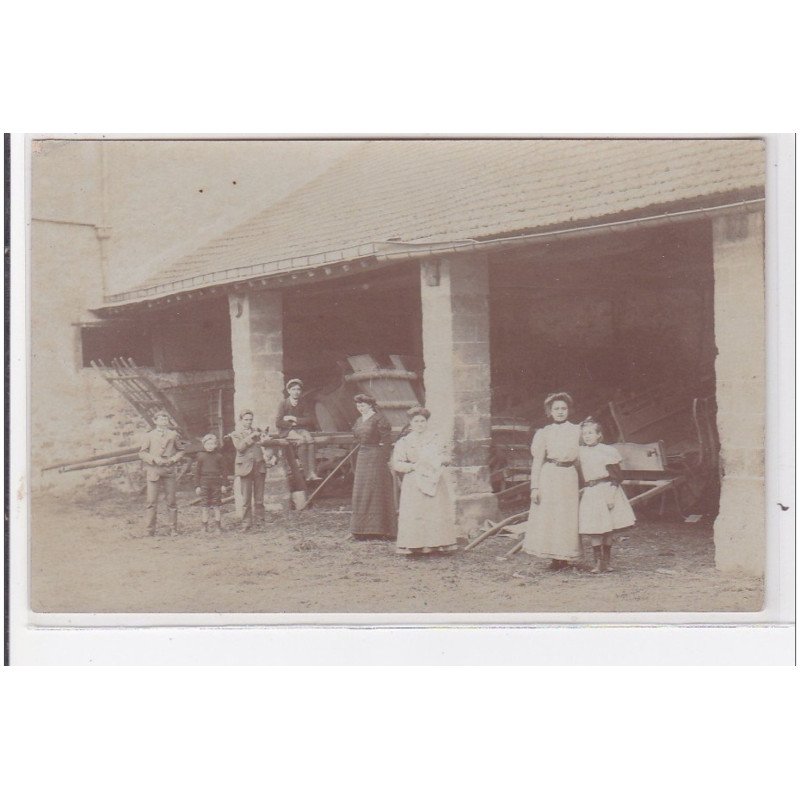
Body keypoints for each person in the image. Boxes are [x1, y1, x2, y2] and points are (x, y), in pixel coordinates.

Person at [523, 392, 582, 570]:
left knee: (567, 515)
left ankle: (565, 556)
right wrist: (535, 487)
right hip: (550, 475)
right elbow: (538, 461)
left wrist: (586, 481)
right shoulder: (544, 433)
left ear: (569, 410)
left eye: (563, 408)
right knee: (551, 515)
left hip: (569, 475)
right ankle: (553, 558)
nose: (560, 412)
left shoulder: (577, 430)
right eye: (556, 409)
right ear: (550, 411)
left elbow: (581, 458)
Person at [391, 406, 457, 555]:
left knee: (435, 511)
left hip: (434, 479)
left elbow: (447, 458)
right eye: (416, 421)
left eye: (423, 421)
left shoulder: (436, 438)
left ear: (427, 422)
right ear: (411, 423)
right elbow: (397, 463)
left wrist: (438, 461)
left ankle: (437, 544)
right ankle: (415, 545)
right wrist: (414, 466)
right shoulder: (404, 442)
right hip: (414, 480)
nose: (420, 424)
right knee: (415, 512)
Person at [577, 418, 636, 572]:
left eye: (590, 433)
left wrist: (611, 495)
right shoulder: (581, 452)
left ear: (598, 435)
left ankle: (607, 561)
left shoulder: (607, 451)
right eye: (584, 434)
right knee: (595, 527)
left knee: (608, 527)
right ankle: (597, 562)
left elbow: (616, 476)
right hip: (591, 492)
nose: (587, 436)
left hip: (607, 489)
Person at [350, 393, 396, 539]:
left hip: (376, 457)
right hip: (362, 456)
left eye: (363, 405)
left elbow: (386, 441)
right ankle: (361, 529)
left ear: (370, 405)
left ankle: (380, 529)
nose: (360, 408)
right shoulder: (358, 420)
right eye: (358, 406)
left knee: (375, 490)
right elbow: (356, 438)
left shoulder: (379, 419)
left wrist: (384, 458)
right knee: (361, 490)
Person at [138, 409, 184, 536]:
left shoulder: (173, 435)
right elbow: (142, 452)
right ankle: (150, 530)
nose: (164, 421)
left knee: (171, 501)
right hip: (154, 471)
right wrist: (153, 459)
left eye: (166, 419)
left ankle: (173, 529)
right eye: (161, 419)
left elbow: (181, 450)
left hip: (169, 471)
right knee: (151, 502)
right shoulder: (149, 435)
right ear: (155, 421)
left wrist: (173, 459)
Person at [229, 409, 267, 531]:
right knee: (246, 499)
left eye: (250, 419)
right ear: (241, 420)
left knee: (259, 498)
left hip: (259, 467)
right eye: (246, 420)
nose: (249, 422)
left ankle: (261, 523)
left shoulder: (258, 432)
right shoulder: (235, 434)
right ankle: (246, 524)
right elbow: (240, 448)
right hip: (245, 468)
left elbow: (265, 445)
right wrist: (251, 436)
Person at [275, 378, 320, 481]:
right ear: (289, 391)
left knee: (310, 440)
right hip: (287, 431)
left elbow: (310, 419)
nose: (296, 392)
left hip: (300, 428)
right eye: (293, 389)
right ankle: (307, 473)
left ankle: (313, 472)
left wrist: (293, 419)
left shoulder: (303, 403)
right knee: (302, 440)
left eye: (298, 389)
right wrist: (292, 425)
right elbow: (278, 422)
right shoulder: (283, 404)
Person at [194, 433, 228, 532]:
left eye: (212, 444)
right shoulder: (200, 456)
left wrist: (224, 484)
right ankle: (204, 526)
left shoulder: (219, 456)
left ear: (215, 445)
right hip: (204, 483)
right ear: (204, 445)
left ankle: (218, 526)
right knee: (205, 505)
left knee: (216, 505)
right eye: (207, 444)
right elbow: (197, 472)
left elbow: (224, 471)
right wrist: (197, 486)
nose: (210, 446)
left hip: (216, 483)